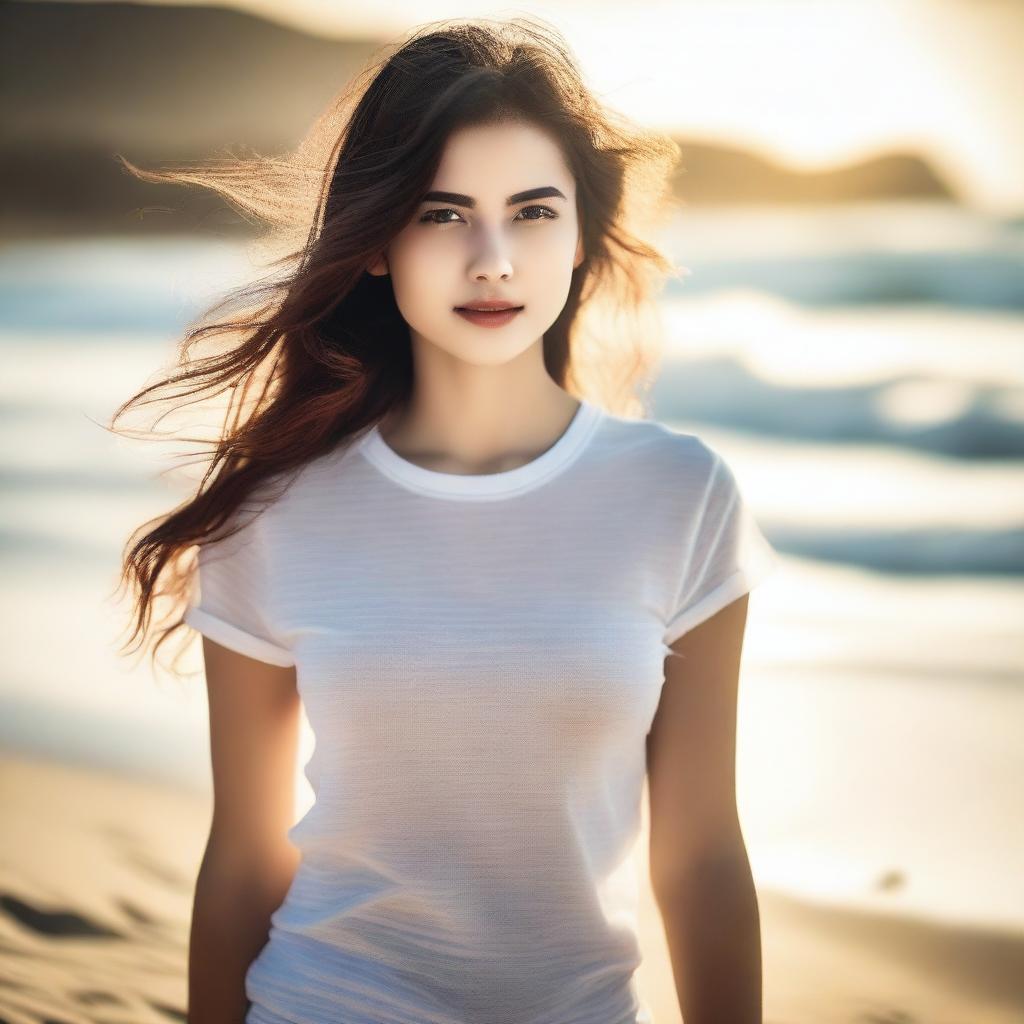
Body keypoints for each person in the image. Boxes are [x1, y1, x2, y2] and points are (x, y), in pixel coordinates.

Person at [112, 16, 778, 1024]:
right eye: (441, 214)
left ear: (581, 233)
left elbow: (700, 854)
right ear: (377, 242)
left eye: (533, 212)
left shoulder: (679, 495)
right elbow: (246, 853)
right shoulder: (276, 509)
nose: (493, 259)